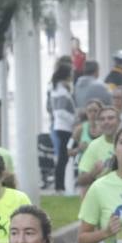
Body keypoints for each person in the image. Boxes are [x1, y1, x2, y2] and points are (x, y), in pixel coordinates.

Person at [49, 62, 77, 193]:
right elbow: (60, 111)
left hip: (61, 126)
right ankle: (59, 186)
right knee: (63, 158)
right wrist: (74, 119)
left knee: (63, 158)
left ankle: (60, 186)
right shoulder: (61, 91)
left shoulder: (56, 89)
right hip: (64, 127)